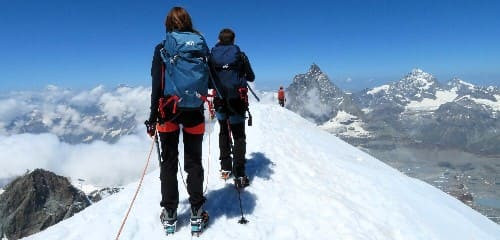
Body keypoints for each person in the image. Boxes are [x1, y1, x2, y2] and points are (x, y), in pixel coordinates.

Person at [145, 6, 209, 235]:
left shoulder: (162, 48)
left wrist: (152, 117)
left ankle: (170, 214)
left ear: (168, 25)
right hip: (194, 110)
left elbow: (157, 85)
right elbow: (208, 81)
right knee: (193, 162)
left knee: (169, 163)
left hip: (168, 110)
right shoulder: (201, 44)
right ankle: (196, 213)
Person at [209, 28, 255, 188]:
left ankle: (225, 167)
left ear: (219, 39)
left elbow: (209, 81)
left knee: (223, 131)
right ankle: (240, 173)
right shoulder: (240, 55)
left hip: (220, 100)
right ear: (233, 40)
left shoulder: (212, 56)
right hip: (237, 100)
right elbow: (251, 76)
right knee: (239, 135)